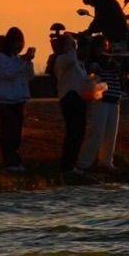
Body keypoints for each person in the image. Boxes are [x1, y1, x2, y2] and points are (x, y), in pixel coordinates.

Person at [76, 38, 124, 177]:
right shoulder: (93, 63)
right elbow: (92, 74)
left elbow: (120, 74)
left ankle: (106, 162)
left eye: (106, 47)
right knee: (96, 132)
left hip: (114, 100)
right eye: (103, 47)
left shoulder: (114, 63)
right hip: (101, 101)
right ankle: (84, 163)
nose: (105, 50)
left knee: (110, 134)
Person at [53, 30, 95, 177]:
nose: (75, 46)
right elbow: (71, 59)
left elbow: (82, 80)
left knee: (79, 132)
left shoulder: (78, 62)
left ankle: (72, 163)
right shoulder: (62, 59)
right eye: (72, 44)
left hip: (79, 98)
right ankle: (67, 165)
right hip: (69, 97)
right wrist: (70, 42)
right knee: (73, 131)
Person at [0, 27, 34, 174]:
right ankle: (9, 161)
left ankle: (14, 160)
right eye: (17, 42)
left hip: (18, 99)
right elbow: (7, 74)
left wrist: (28, 62)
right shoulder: (0, 57)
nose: (19, 46)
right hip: (6, 100)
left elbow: (29, 76)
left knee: (16, 133)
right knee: (8, 133)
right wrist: (22, 63)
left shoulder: (17, 58)